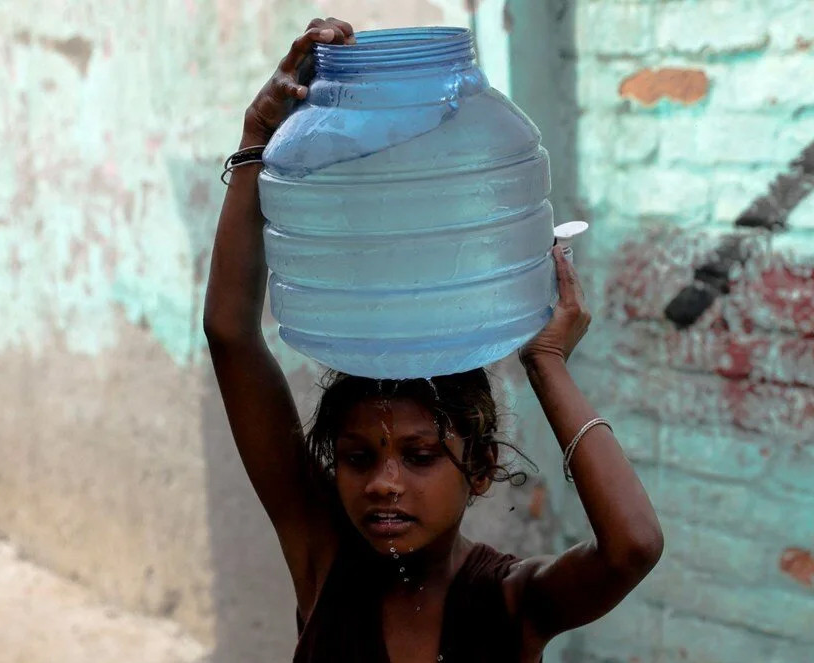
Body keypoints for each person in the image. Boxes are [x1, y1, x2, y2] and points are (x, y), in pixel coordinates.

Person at [203, 17, 664, 663]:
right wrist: (258, 140)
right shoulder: (323, 561)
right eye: (358, 458)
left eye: (420, 455)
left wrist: (548, 363)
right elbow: (230, 335)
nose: (383, 483)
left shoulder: (511, 599)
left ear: (477, 469)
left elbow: (634, 546)